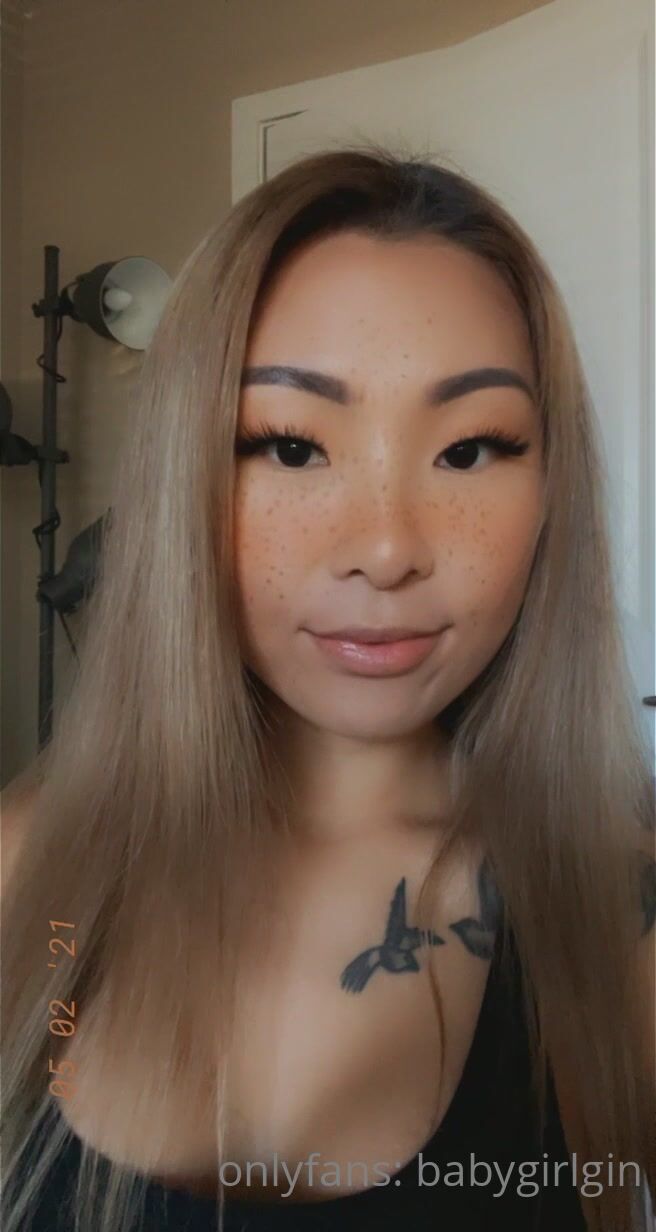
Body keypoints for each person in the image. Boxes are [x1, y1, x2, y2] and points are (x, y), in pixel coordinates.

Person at [1, 145, 654, 1232]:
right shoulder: (23, 870)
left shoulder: (613, 909)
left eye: (470, 449)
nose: (387, 549)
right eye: (291, 446)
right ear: (184, 477)